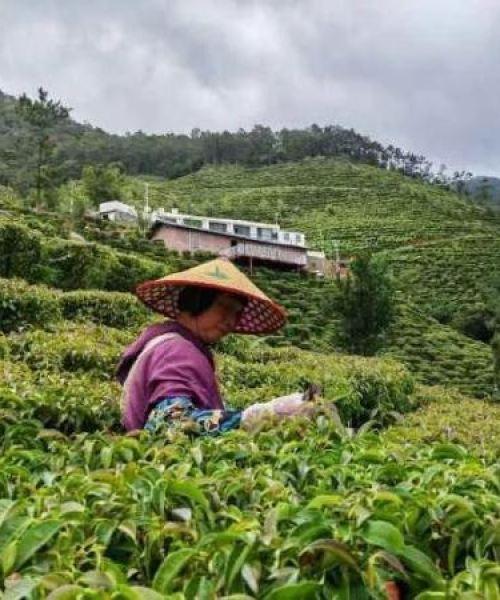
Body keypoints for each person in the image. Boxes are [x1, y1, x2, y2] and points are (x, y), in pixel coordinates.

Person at [116, 258, 321, 435]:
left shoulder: (168, 341)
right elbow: (170, 423)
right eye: (224, 307)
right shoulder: (178, 350)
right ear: (197, 300)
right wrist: (259, 416)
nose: (231, 321)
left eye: (237, 313)